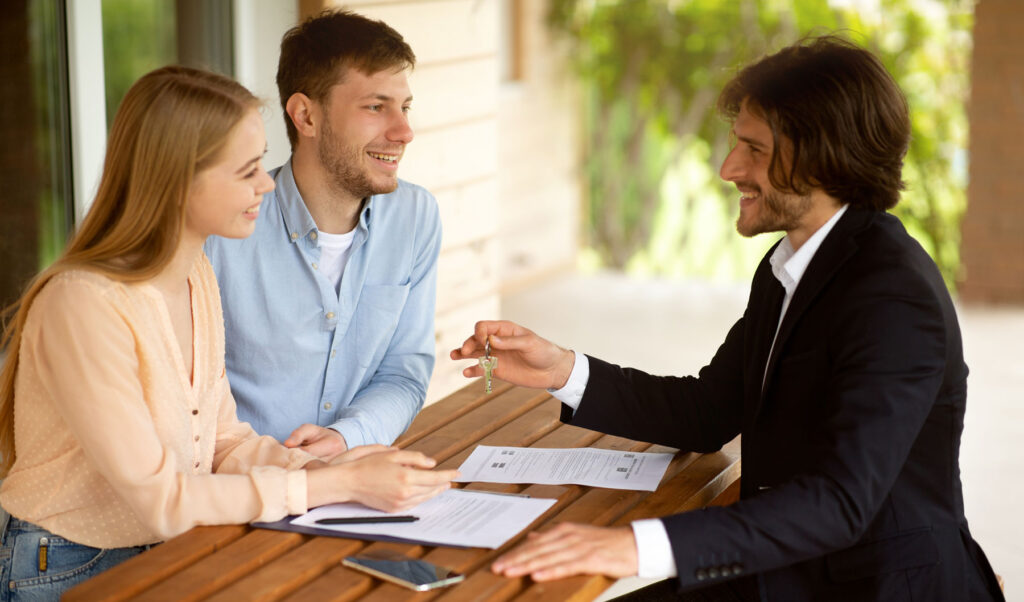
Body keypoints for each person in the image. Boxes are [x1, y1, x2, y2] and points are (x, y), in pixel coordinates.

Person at [452, 36, 1004, 601]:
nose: (727, 168)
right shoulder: (790, 265)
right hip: (787, 571)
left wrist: (634, 546)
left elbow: (841, 503)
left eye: (754, 149)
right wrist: (562, 370)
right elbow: (709, 411)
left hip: (873, 587)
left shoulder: (893, 298)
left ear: (823, 157)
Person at [0, 66, 456, 599]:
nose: (267, 183)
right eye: (246, 171)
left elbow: (221, 440)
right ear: (176, 180)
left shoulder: (194, 276)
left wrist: (328, 462)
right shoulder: (83, 304)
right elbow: (164, 500)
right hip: (74, 567)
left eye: (262, 163)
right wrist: (335, 483)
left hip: (178, 544)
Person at [203, 9, 439, 460]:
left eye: (404, 107)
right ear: (305, 116)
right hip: (239, 491)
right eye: (375, 106)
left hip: (353, 481)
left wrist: (350, 435)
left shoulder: (415, 216)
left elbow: (404, 370)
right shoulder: (222, 232)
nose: (404, 131)